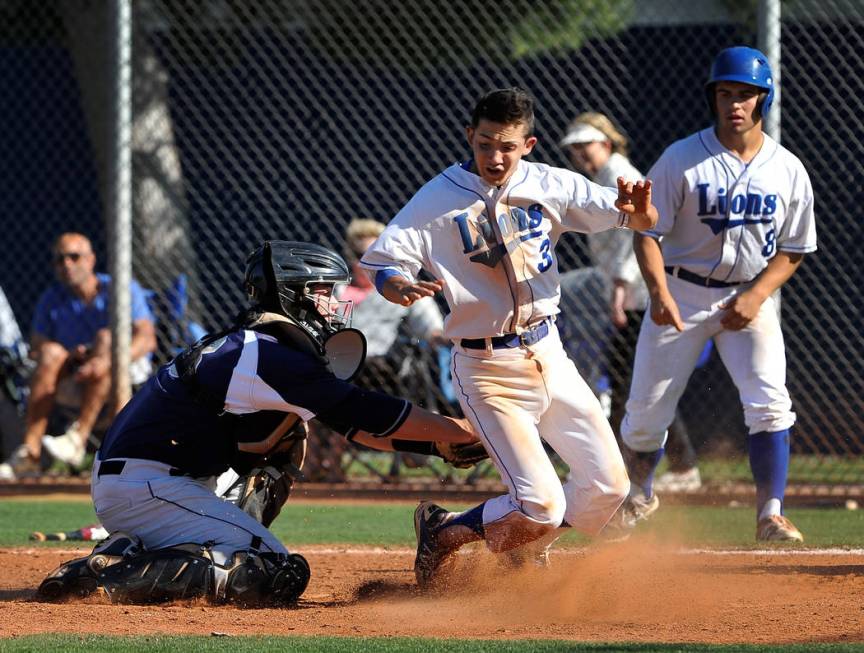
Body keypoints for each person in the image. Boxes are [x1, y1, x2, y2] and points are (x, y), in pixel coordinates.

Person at [37, 240, 482, 606]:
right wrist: (461, 430)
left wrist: (436, 446)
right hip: (148, 485)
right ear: (293, 294)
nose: (336, 303)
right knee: (271, 572)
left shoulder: (260, 345)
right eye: (323, 291)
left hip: (154, 480)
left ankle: (135, 550)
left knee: (291, 433)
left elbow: (354, 429)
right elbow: (365, 412)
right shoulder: (266, 354)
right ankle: (109, 575)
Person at [360, 87, 659, 587]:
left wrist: (642, 213)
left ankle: (527, 544)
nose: (494, 156)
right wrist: (399, 286)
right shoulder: (438, 197)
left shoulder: (551, 185)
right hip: (487, 369)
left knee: (609, 488)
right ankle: (445, 531)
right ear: (468, 138)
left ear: (529, 144)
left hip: (548, 353)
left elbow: (637, 218)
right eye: (484, 144)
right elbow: (386, 262)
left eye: (507, 145)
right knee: (541, 503)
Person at [621, 47, 816, 542]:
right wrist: (659, 293)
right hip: (681, 291)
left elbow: (793, 249)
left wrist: (757, 297)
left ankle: (770, 513)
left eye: (745, 94)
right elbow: (647, 232)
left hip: (748, 298)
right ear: (713, 96)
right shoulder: (682, 157)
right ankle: (637, 495)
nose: (735, 103)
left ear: (762, 100)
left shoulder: (787, 168)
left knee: (771, 404)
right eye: (725, 92)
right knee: (645, 417)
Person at [560, 112, 702, 493]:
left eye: (585, 146)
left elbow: (636, 235)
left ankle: (663, 466)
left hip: (639, 296)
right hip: (628, 294)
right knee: (635, 385)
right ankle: (665, 464)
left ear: (605, 144)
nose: (579, 155)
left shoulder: (621, 175)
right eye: (574, 149)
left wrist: (620, 293)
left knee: (635, 385)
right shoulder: (602, 178)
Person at [3, 233, 156, 476]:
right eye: (59, 259)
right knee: (51, 353)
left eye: (74, 257)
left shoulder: (121, 288)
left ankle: (81, 439)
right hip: (77, 376)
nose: (67, 265)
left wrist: (106, 359)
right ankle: (29, 454)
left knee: (107, 338)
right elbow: (37, 348)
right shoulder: (51, 298)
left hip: (124, 371)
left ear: (91, 259)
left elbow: (147, 339)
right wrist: (74, 356)